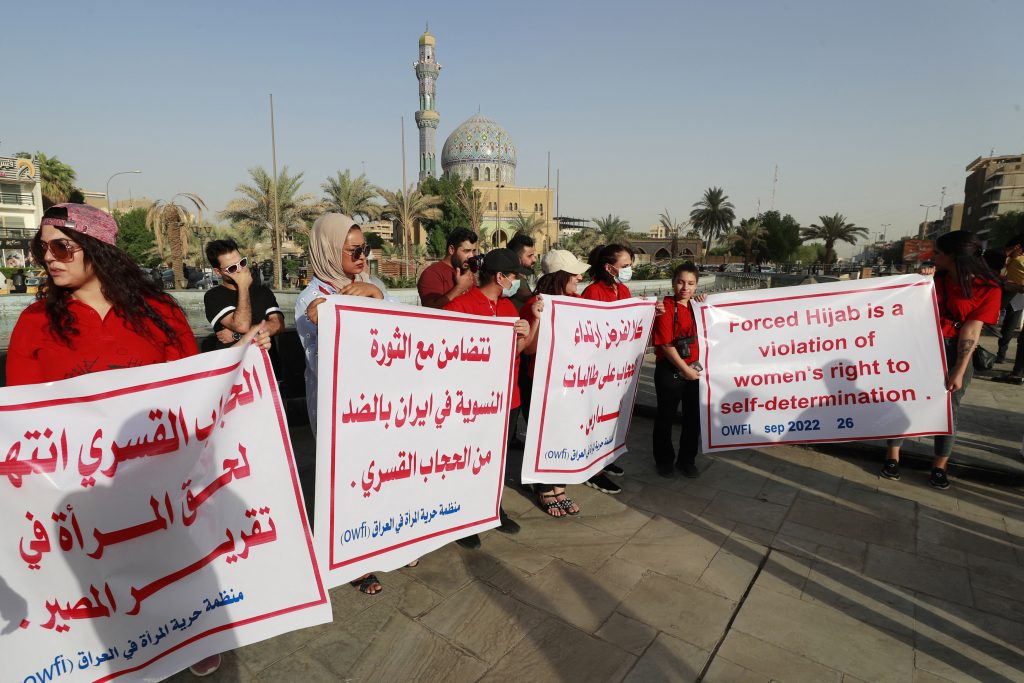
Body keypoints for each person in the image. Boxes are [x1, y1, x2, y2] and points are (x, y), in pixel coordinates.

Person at [5, 204, 270, 678]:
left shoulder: (160, 312)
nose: (48, 257)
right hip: (83, 484)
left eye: (61, 246)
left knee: (170, 559)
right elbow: (25, 420)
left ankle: (187, 636)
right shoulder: (34, 323)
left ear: (99, 250)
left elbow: (195, 389)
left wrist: (242, 356)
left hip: (159, 477)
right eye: (40, 247)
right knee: (102, 573)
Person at [294, 213, 401, 595]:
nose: (363, 257)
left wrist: (376, 298)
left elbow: (408, 325)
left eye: (365, 249)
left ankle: (382, 539)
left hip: (379, 403)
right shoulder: (312, 300)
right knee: (343, 480)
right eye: (355, 250)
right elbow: (322, 356)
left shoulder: (372, 286)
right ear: (328, 251)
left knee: (379, 472)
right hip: (339, 405)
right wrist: (338, 312)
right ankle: (350, 558)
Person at [880, 231, 1001, 489]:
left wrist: (959, 369)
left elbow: (972, 330)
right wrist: (919, 282)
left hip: (954, 349)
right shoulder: (932, 279)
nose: (933, 255)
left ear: (954, 256)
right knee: (904, 399)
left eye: (938, 252)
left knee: (948, 409)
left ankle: (939, 466)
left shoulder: (987, 289)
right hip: (922, 347)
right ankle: (892, 457)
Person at [444, 248, 542, 547]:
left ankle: (491, 509)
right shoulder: (460, 307)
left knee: (495, 459)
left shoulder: (509, 308)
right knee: (466, 458)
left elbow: (519, 351)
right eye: (514, 277)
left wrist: (532, 324)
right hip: (470, 401)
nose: (517, 283)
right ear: (500, 277)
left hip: (506, 398)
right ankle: (462, 518)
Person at [520, 249, 589, 516]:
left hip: (569, 383)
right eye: (574, 273)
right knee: (545, 435)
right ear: (561, 276)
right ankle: (544, 487)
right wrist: (536, 319)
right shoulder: (536, 304)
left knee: (563, 433)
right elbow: (529, 350)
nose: (580, 277)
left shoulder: (577, 301)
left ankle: (558, 485)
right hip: (542, 383)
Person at [577, 243, 636, 493]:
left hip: (617, 370)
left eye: (630, 266)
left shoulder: (622, 289)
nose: (628, 270)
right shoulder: (593, 292)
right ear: (609, 267)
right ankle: (594, 471)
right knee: (596, 418)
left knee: (612, 418)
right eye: (624, 266)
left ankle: (605, 459)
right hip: (598, 372)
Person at [652, 263, 703, 478]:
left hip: (695, 370)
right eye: (681, 282)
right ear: (673, 282)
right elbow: (665, 344)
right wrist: (686, 371)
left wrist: (705, 306)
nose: (685, 287)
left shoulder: (698, 308)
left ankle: (687, 461)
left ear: (696, 286)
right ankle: (664, 461)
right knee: (665, 417)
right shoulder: (665, 307)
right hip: (670, 370)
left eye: (691, 283)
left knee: (693, 419)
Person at [203, 238, 284, 349]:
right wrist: (243, 285)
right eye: (232, 268)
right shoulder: (213, 297)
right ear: (218, 272)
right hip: (236, 363)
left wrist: (237, 335)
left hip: (267, 362)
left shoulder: (263, 291)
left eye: (242, 263)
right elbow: (242, 325)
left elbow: (278, 324)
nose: (240, 269)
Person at [507, 232, 539, 445]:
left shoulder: (522, 278)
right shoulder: (517, 281)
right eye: (530, 255)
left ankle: (514, 434)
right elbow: (529, 298)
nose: (533, 260)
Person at [417, 227, 478, 308]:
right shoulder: (432, 273)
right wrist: (459, 288)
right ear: (452, 250)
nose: (471, 256)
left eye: (473, 251)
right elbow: (430, 309)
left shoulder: (467, 274)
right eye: (466, 251)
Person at [994, 235, 1024, 372]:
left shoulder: (1019, 257)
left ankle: (1001, 354)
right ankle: (1001, 353)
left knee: (1010, 324)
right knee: (1007, 323)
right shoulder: (1007, 257)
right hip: (1010, 290)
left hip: (1018, 293)